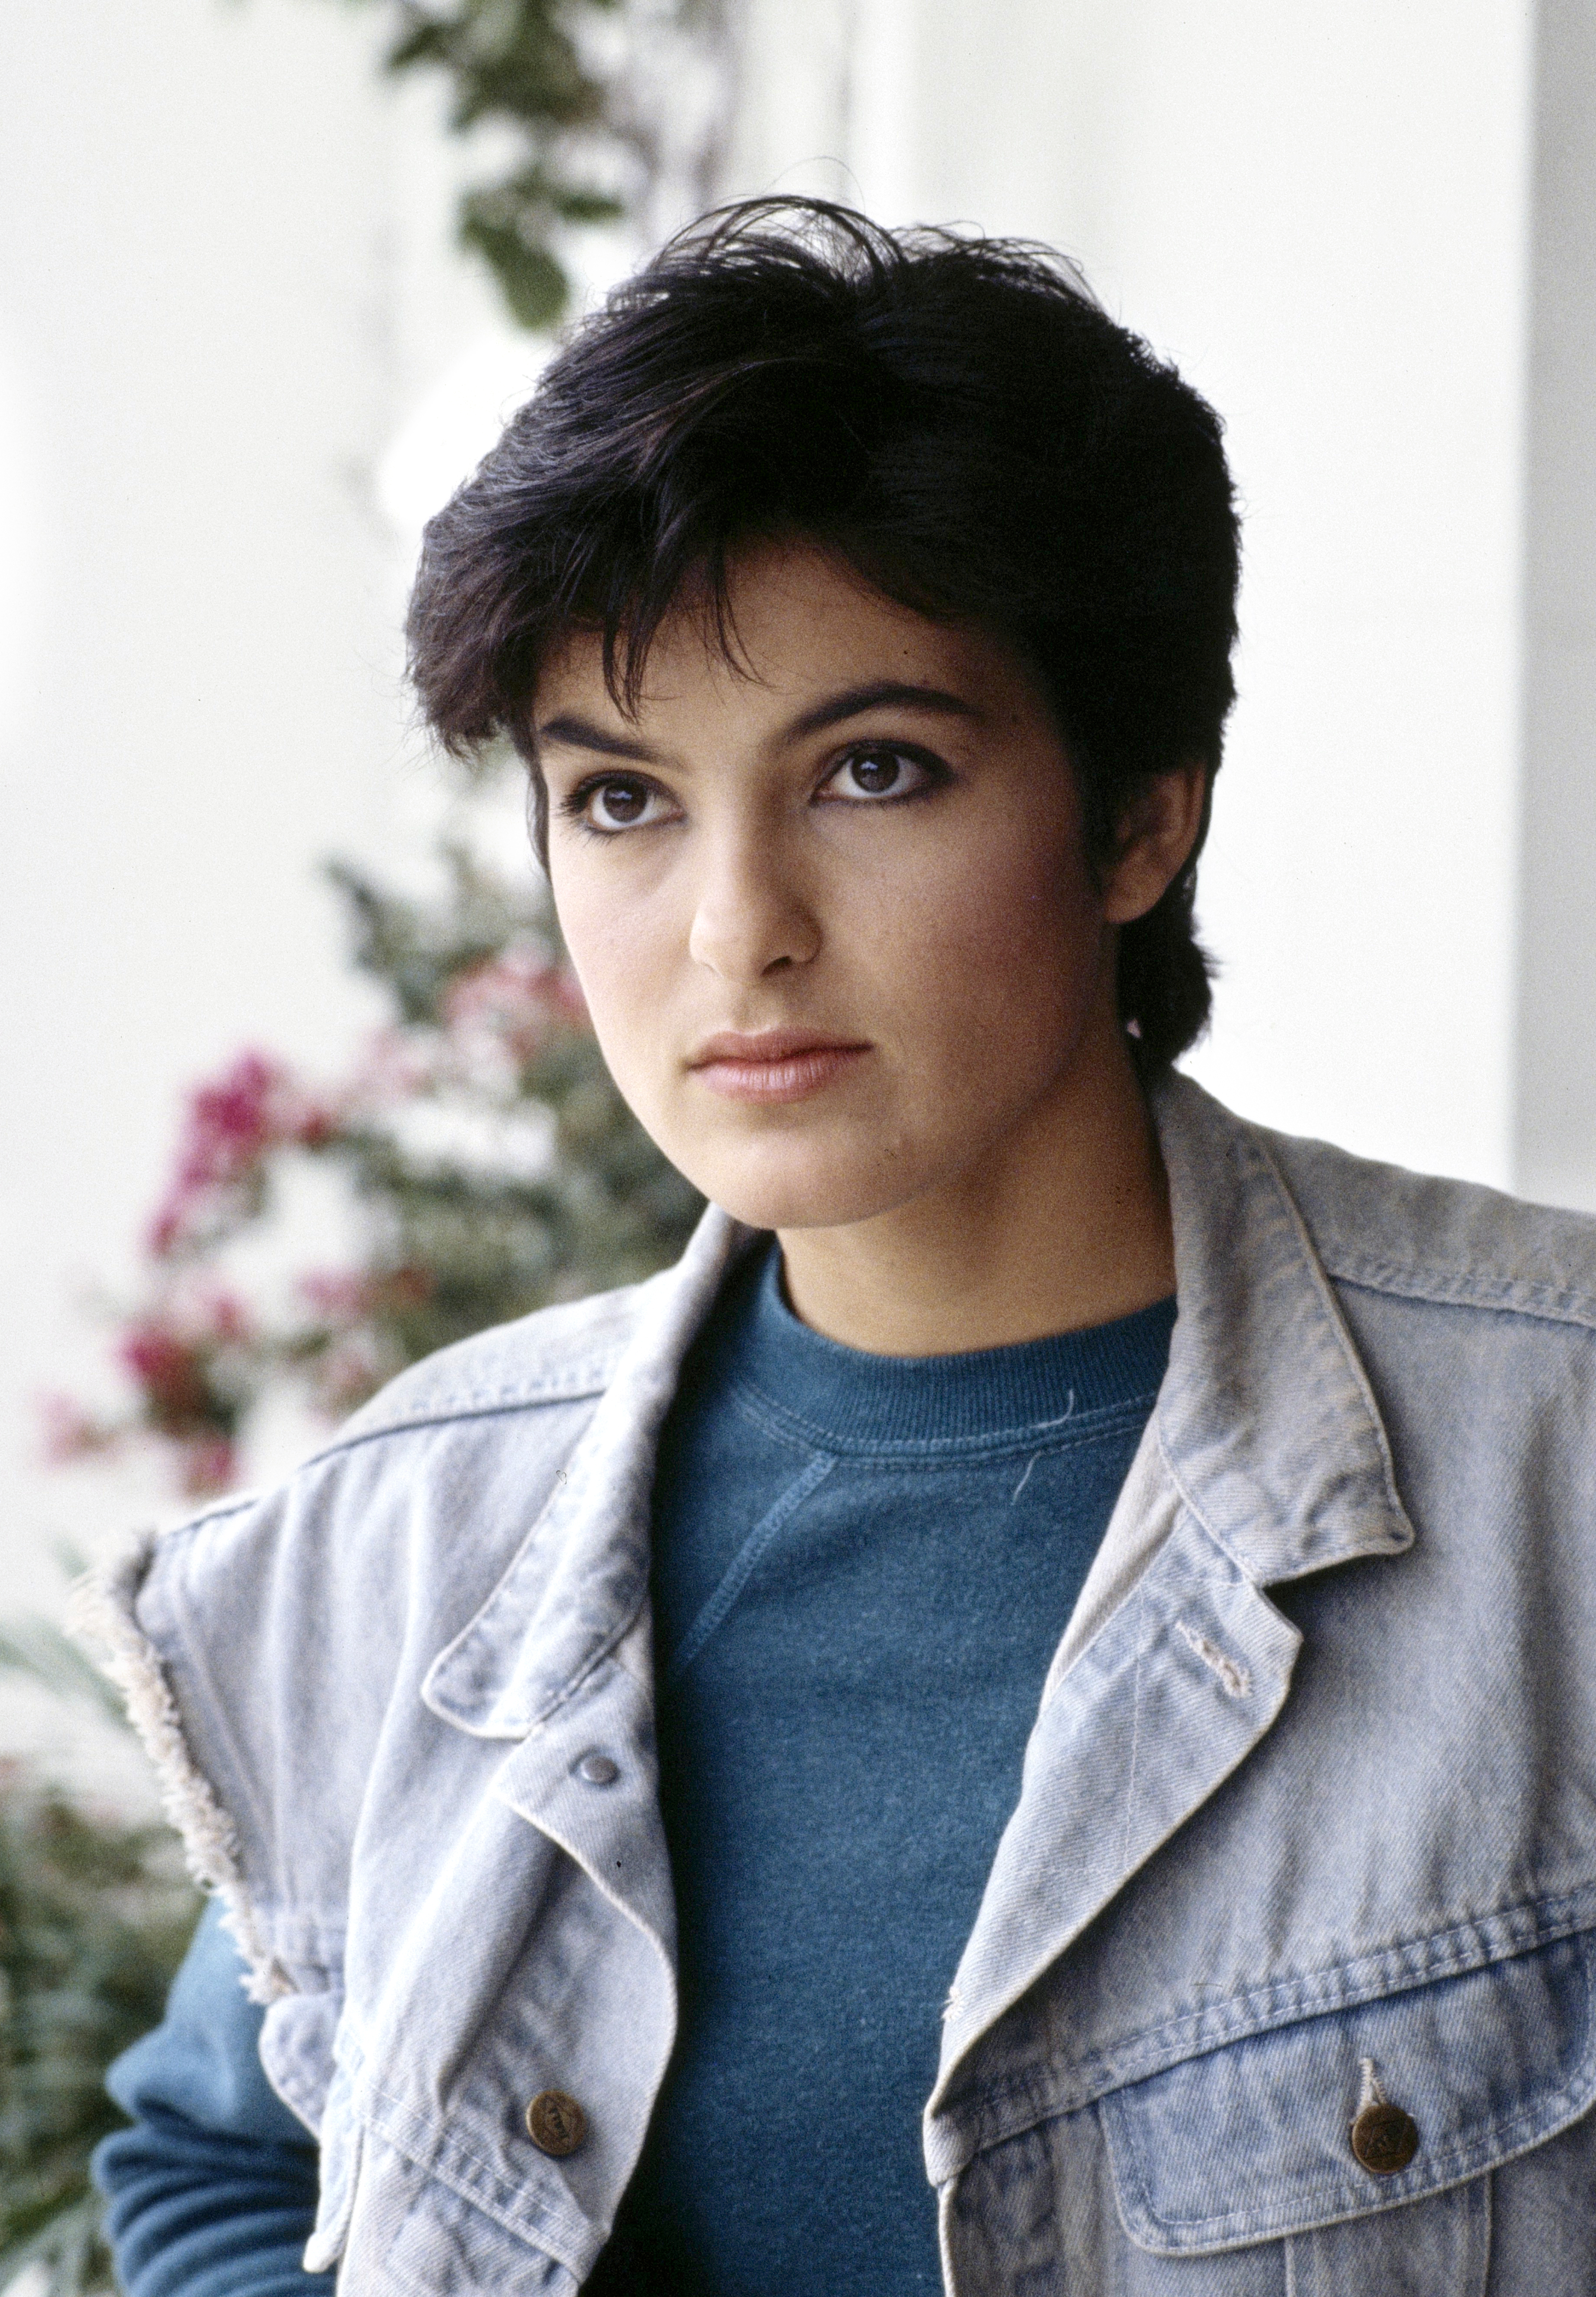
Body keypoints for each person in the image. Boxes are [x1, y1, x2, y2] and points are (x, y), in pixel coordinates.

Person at [87, 200, 1596, 2295]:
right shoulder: (413, 1534)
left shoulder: (1556, 1466)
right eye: (620, 800)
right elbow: (213, 2161)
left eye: (872, 770)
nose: (735, 931)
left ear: (1143, 811)